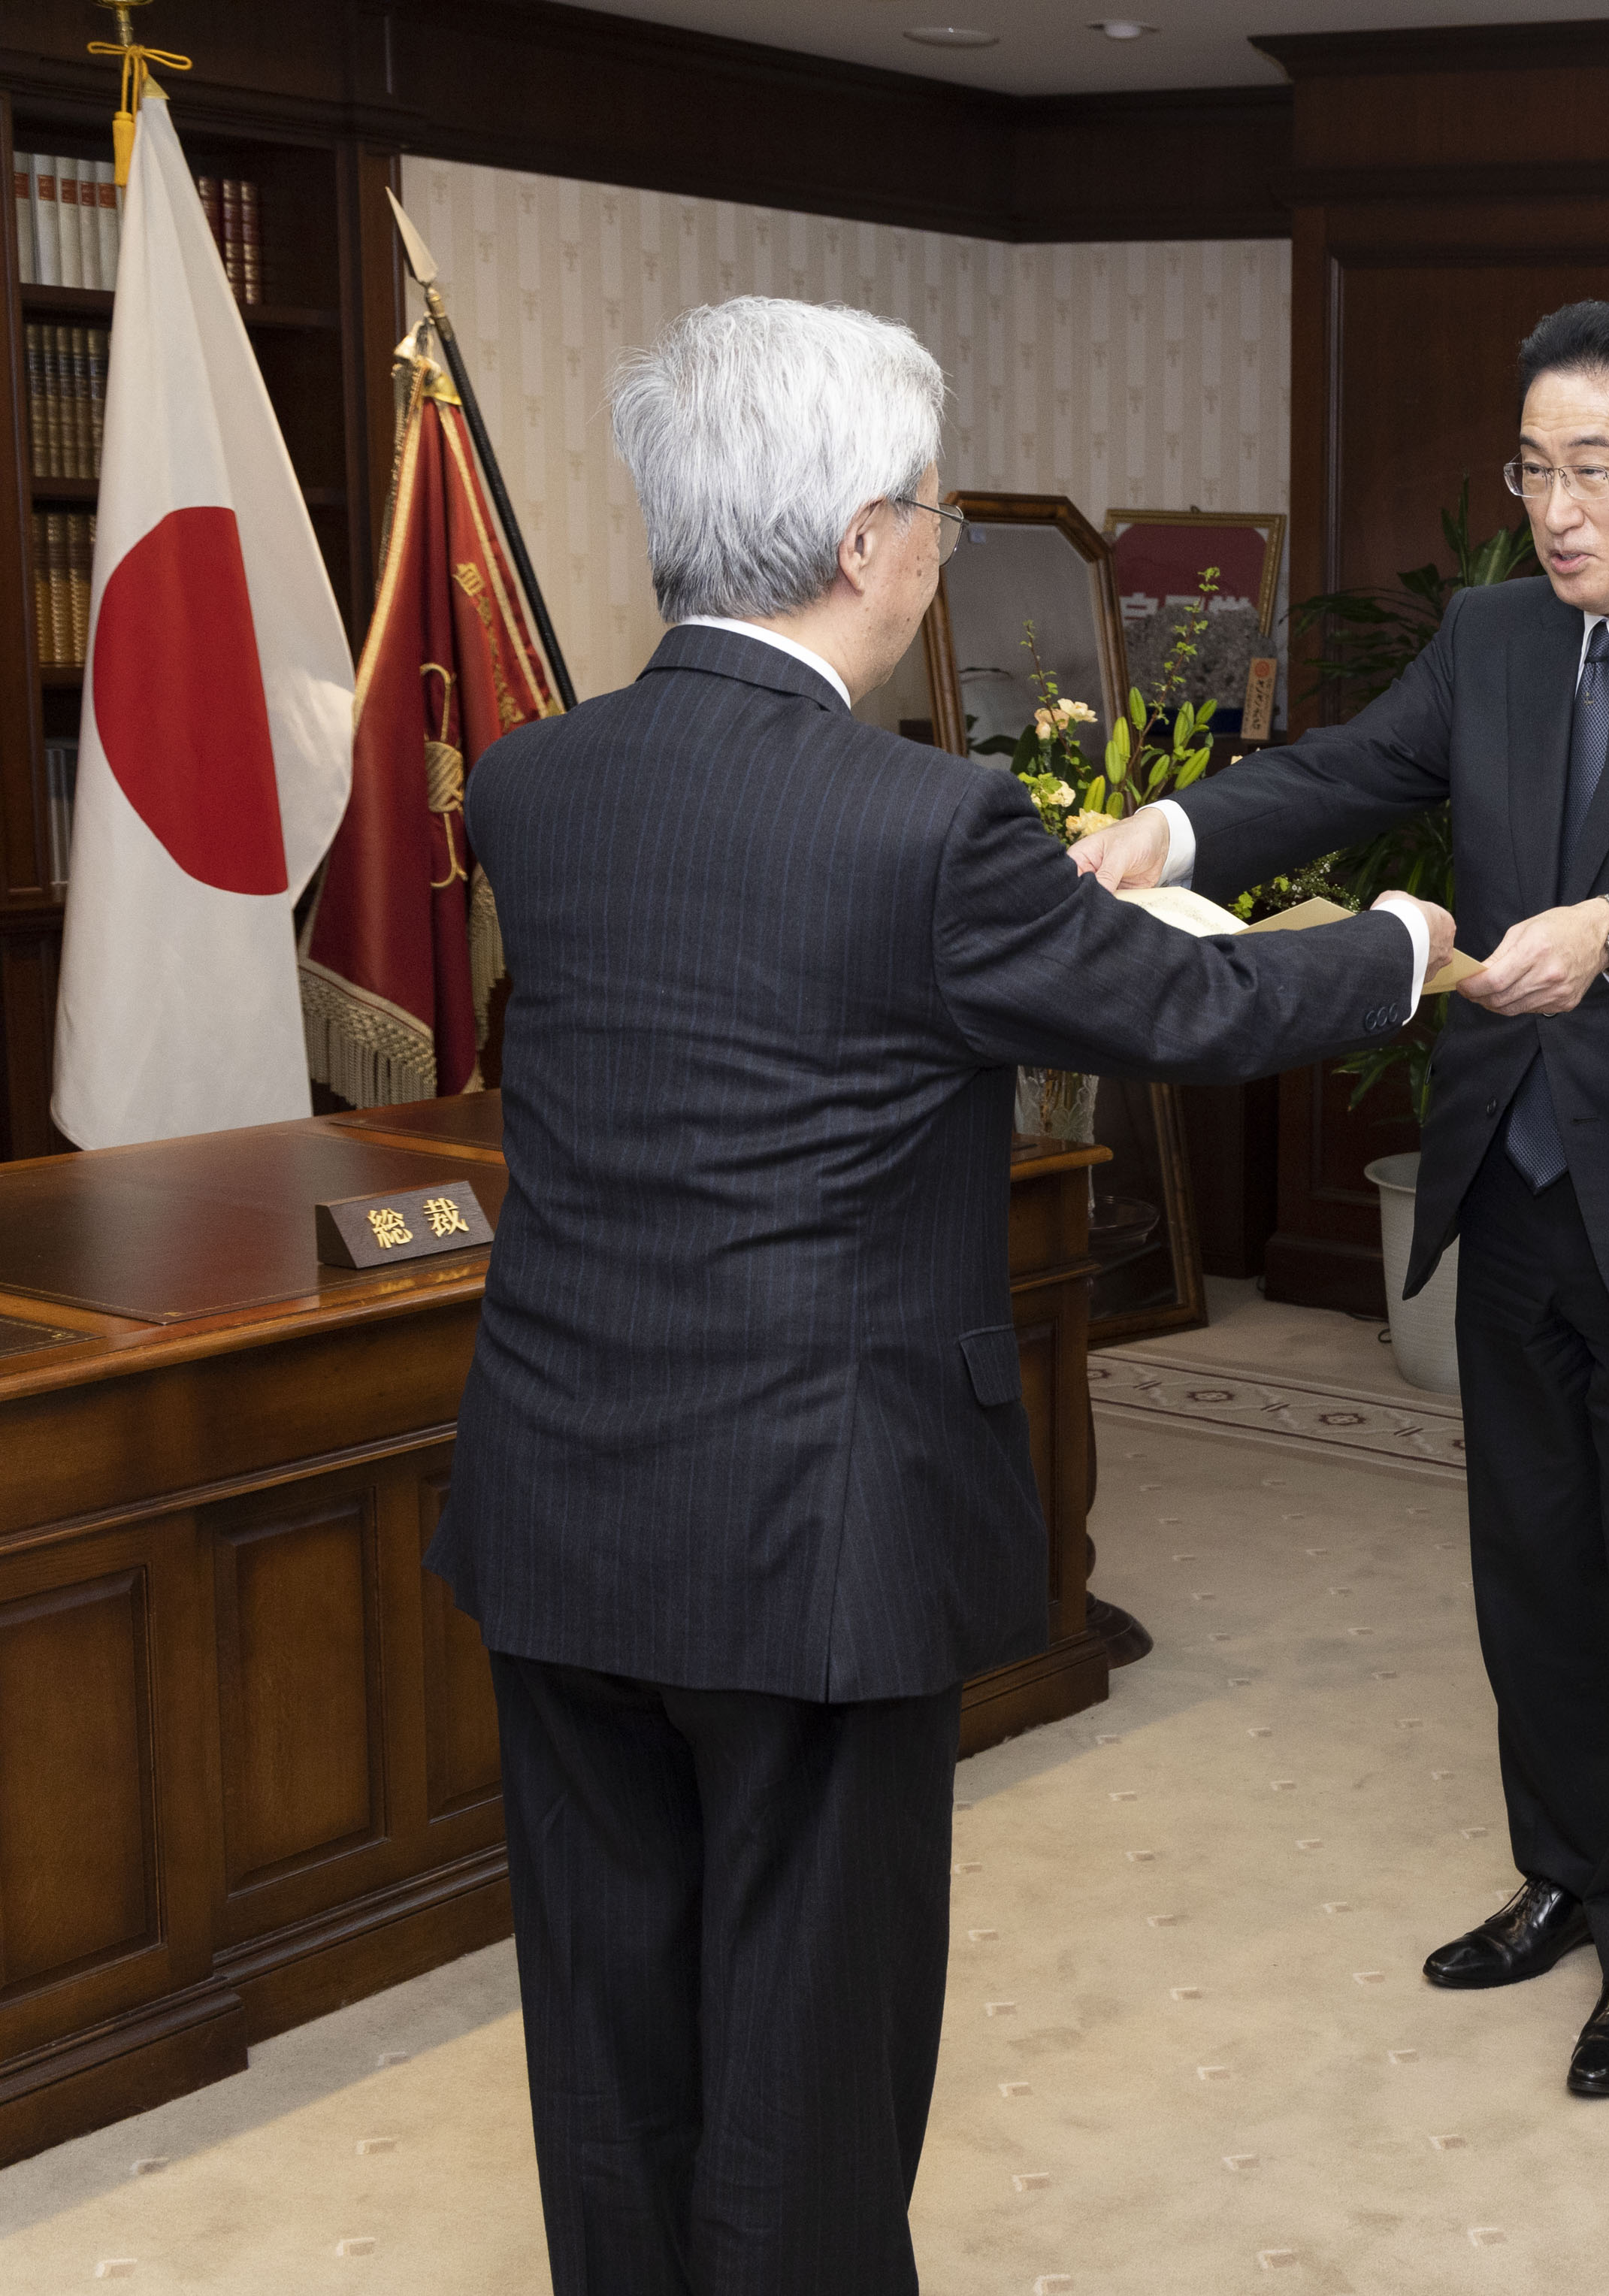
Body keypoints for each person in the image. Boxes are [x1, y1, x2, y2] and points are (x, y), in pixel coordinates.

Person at [430, 296, 1441, 2294]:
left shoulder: (534, 782)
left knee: (610, 2035)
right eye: (934, 511)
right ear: (860, 541)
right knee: (811, 2062)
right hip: (812, 1532)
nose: (937, 543)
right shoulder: (924, 820)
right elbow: (1193, 1009)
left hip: (560, 1502)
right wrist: (1399, 940)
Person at [1071, 300, 1609, 2098]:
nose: (1555, 512)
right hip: (1512, 1176)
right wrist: (1169, 835)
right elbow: (1347, 769)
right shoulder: (1496, 636)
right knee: (1532, 1571)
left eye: (1594, 471)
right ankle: (1560, 1870)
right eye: (1530, 472)